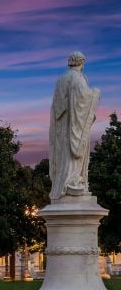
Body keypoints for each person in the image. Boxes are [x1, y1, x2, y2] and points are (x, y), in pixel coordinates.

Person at [50, 51, 100, 200]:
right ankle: (71, 181)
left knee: (63, 155)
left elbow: (57, 106)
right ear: (82, 63)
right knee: (73, 156)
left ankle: (63, 182)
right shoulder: (78, 78)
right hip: (74, 126)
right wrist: (95, 93)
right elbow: (82, 100)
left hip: (62, 128)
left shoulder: (61, 79)